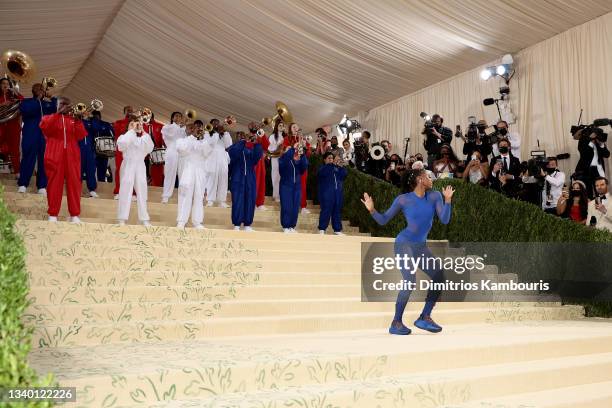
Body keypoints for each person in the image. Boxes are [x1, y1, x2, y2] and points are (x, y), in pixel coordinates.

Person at [361, 169, 454, 335]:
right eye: (427, 176)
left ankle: (424, 317)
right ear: (419, 180)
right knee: (410, 280)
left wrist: (448, 201)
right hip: (404, 244)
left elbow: (445, 220)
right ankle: (396, 322)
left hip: (420, 247)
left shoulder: (434, 196)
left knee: (439, 275)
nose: (430, 178)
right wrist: (371, 210)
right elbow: (383, 220)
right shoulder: (403, 200)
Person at [39, 96, 87, 223]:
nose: (65, 106)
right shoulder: (49, 117)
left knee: (75, 184)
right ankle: (53, 214)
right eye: (62, 104)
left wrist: (78, 121)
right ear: (57, 105)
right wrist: (58, 113)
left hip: (72, 154)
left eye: (67, 104)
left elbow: (81, 135)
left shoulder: (73, 119)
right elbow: (45, 128)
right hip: (54, 152)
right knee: (54, 183)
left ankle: (75, 215)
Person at [17, 82, 57, 194]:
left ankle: (42, 186)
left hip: (44, 136)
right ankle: (23, 184)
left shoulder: (47, 104)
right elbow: (25, 111)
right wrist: (38, 100)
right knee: (28, 158)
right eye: (38, 88)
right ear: (33, 90)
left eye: (42, 89)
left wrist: (51, 97)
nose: (40, 90)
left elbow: (57, 108)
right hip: (30, 134)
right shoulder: (26, 102)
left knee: (44, 160)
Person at [116, 119, 154, 226]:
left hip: (140, 165)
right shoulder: (124, 137)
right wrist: (131, 130)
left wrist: (143, 130)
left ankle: (144, 218)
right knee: (125, 190)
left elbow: (150, 147)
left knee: (142, 191)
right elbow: (122, 145)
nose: (136, 125)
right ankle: (122, 218)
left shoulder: (143, 139)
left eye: (137, 124)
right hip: (128, 164)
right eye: (132, 124)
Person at [175, 122, 211, 229]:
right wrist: (192, 137)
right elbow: (182, 150)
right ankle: (181, 221)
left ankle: (197, 222)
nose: (193, 130)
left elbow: (207, 153)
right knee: (185, 194)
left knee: (199, 196)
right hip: (188, 169)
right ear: (186, 130)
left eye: (195, 128)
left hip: (200, 170)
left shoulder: (202, 142)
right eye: (191, 128)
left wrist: (203, 139)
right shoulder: (181, 140)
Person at [228, 132, 263, 231]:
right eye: (241, 137)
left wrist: (256, 143)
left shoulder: (252, 147)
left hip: (250, 177)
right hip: (237, 176)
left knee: (250, 199)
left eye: (244, 137)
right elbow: (232, 154)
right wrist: (243, 142)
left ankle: (247, 224)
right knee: (238, 200)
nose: (243, 138)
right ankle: (237, 224)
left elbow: (257, 156)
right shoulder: (236, 146)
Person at [279, 143, 308, 233]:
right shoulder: (282, 160)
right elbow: (285, 159)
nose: (291, 150)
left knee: (295, 208)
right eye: (288, 149)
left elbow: (305, 166)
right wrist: (292, 148)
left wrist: (302, 154)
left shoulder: (297, 161)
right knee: (286, 206)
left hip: (297, 187)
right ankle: (285, 226)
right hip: (286, 186)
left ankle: (292, 226)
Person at [574, 126, 610, 199]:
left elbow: (607, 154)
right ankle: (590, 207)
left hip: (598, 169)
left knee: (600, 190)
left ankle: (603, 205)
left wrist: (602, 144)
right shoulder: (583, 140)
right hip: (586, 170)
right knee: (587, 191)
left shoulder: (599, 142)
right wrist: (590, 141)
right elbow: (583, 153)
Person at [317, 152, 347, 235]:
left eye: (332, 158)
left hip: (337, 194)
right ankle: (322, 228)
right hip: (326, 194)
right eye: (329, 158)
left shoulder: (336, 168)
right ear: (324, 160)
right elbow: (323, 173)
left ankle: (337, 229)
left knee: (337, 211)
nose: (331, 160)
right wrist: (331, 165)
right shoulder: (323, 168)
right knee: (326, 210)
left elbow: (344, 175)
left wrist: (341, 167)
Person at [204, 120, 232, 207]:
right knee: (212, 178)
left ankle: (221, 201)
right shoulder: (207, 133)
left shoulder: (224, 134)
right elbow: (211, 143)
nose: (216, 124)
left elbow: (229, 145)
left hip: (222, 157)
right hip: (212, 156)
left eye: (217, 123)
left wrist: (225, 133)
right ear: (211, 124)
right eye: (214, 123)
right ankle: (210, 200)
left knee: (223, 178)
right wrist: (216, 132)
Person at [0, 77, 24, 175]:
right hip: (1, 126)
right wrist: (2, 105)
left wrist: (16, 92)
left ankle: (17, 172)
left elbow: (23, 101)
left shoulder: (14, 96)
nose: (5, 85)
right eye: (3, 83)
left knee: (15, 149)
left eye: (7, 84)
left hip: (13, 126)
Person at [161, 111, 185, 203]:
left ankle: (182, 196)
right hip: (172, 152)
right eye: (176, 116)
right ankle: (166, 196)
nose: (178, 117)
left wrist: (185, 127)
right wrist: (181, 126)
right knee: (169, 174)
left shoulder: (183, 129)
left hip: (182, 154)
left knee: (183, 175)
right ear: (172, 118)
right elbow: (173, 133)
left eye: (180, 116)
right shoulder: (167, 127)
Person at [112, 106, 134, 199]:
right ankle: (118, 191)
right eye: (128, 110)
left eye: (131, 110)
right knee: (119, 170)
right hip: (121, 149)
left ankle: (133, 193)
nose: (130, 112)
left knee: (133, 171)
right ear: (124, 112)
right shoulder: (119, 122)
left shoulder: (136, 122)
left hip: (132, 149)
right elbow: (118, 135)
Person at [248, 122, 269, 211]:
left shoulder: (260, 133)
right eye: (252, 126)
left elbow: (267, 146)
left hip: (261, 161)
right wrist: (253, 139)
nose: (255, 126)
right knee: (254, 182)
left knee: (261, 181)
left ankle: (260, 203)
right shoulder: (248, 136)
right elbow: (248, 146)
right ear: (249, 128)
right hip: (253, 161)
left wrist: (262, 135)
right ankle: (252, 203)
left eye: (256, 125)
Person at [79, 111, 101, 198]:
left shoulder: (91, 122)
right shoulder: (77, 121)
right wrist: (82, 119)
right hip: (78, 149)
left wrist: (92, 118)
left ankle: (92, 190)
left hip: (89, 150)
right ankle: (77, 189)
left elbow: (97, 128)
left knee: (91, 170)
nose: (84, 112)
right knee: (78, 171)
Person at [268, 120, 285, 202]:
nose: (281, 127)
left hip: (284, 159)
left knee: (283, 177)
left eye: (282, 125)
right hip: (275, 158)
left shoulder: (284, 137)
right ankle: (276, 195)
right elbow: (270, 149)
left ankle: (282, 195)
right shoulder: (272, 136)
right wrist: (278, 145)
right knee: (276, 176)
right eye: (280, 125)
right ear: (276, 127)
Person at [146, 112, 165, 187]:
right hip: (144, 154)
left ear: (152, 117)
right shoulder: (141, 126)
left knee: (157, 173)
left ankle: (157, 187)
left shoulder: (161, 126)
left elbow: (164, 140)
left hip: (156, 153)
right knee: (144, 173)